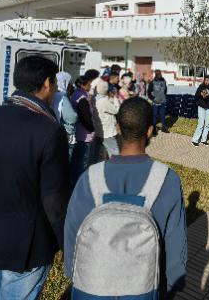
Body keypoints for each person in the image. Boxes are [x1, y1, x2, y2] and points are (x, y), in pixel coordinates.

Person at [0, 55, 70, 299]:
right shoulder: (50, 131)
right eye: (55, 85)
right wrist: (65, 241)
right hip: (27, 245)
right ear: (47, 83)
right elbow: (54, 201)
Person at [64, 97, 187, 297]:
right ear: (149, 131)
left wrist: (72, 272)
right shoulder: (167, 180)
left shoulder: (90, 177)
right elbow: (175, 243)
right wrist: (172, 284)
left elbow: (72, 231)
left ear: (118, 128)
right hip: (143, 289)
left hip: (91, 287)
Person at [52, 71, 78, 158]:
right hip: (65, 133)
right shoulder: (62, 96)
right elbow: (72, 117)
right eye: (69, 83)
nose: (71, 85)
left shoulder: (53, 93)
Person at [95, 81, 121, 157]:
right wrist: (115, 98)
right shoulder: (103, 101)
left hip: (101, 130)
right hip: (107, 132)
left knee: (107, 153)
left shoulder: (97, 98)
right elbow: (116, 110)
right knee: (115, 153)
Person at [192, 75, 209, 147]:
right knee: (201, 124)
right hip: (201, 107)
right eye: (205, 80)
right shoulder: (201, 86)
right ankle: (195, 140)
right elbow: (196, 96)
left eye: (208, 80)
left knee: (207, 124)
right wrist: (201, 94)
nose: (206, 81)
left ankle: (204, 140)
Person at [148, 69, 168, 136]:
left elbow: (165, 90)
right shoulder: (152, 82)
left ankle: (164, 128)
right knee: (154, 115)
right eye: (159, 74)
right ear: (156, 74)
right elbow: (149, 92)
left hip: (162, 101)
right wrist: (153, 98)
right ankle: (153, 129)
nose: (160, 75)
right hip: (155, 102)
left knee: (163, 115)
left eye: (160, 73)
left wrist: (163, 96)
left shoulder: (163, 81)